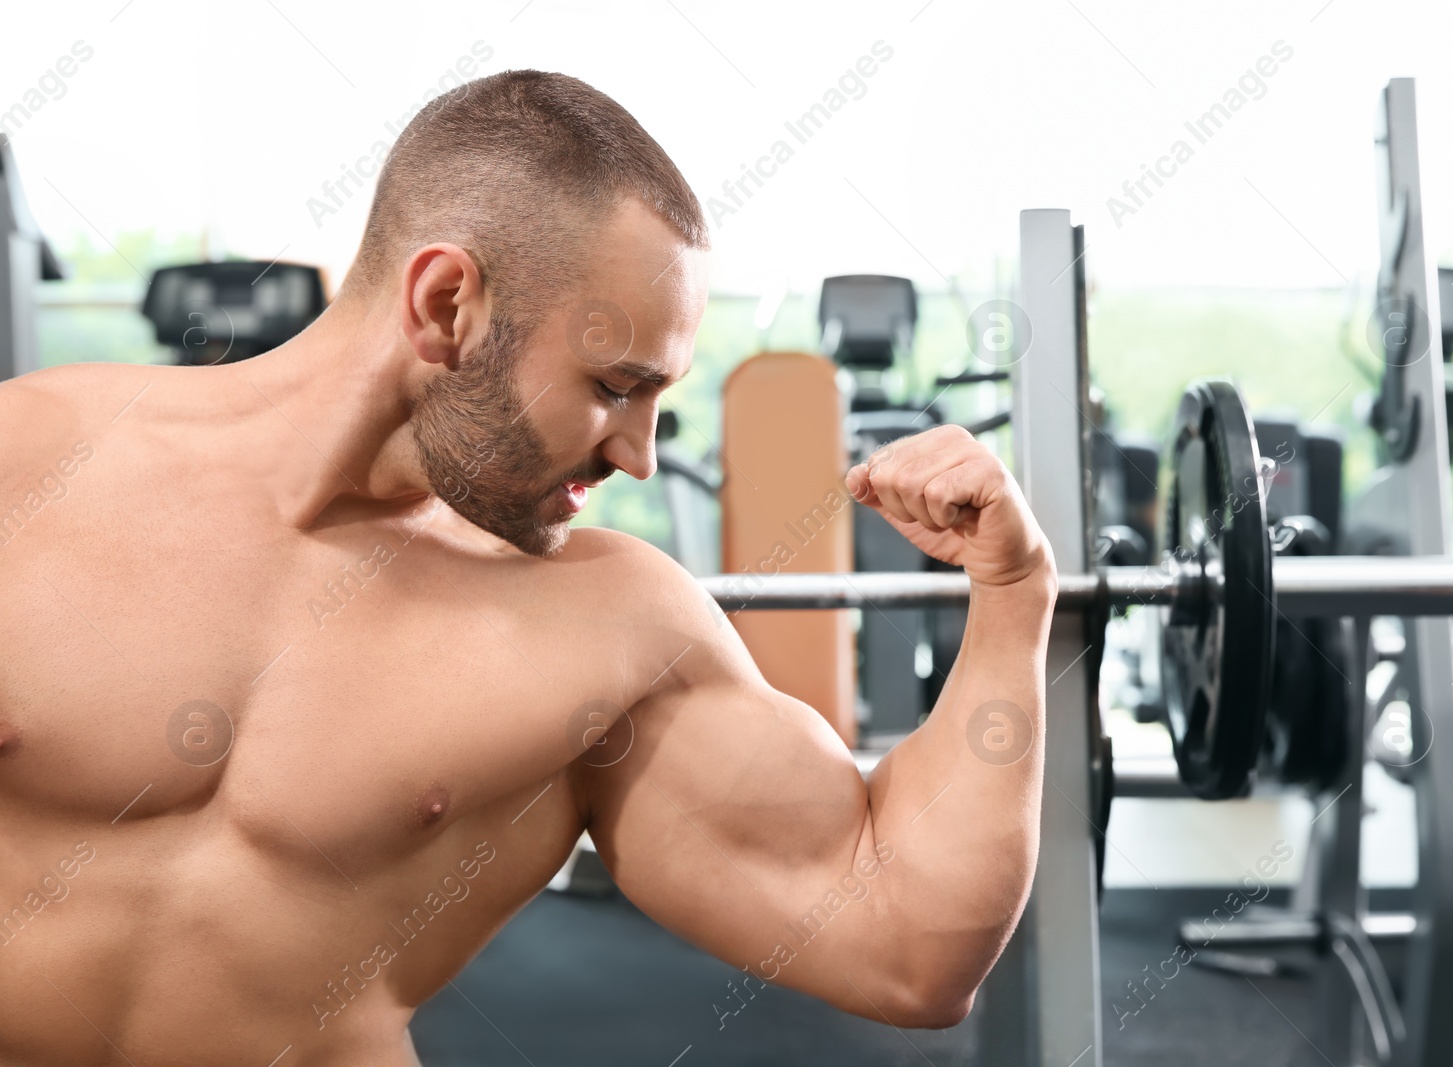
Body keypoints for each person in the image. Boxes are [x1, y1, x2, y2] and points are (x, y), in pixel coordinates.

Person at [0, 70, 1056, 1066]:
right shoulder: (30, 469)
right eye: (612, 385)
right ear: (446, 305)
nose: (639, 452)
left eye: (658, 401)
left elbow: (904, 942)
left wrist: (1013, 596)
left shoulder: (611, 626)